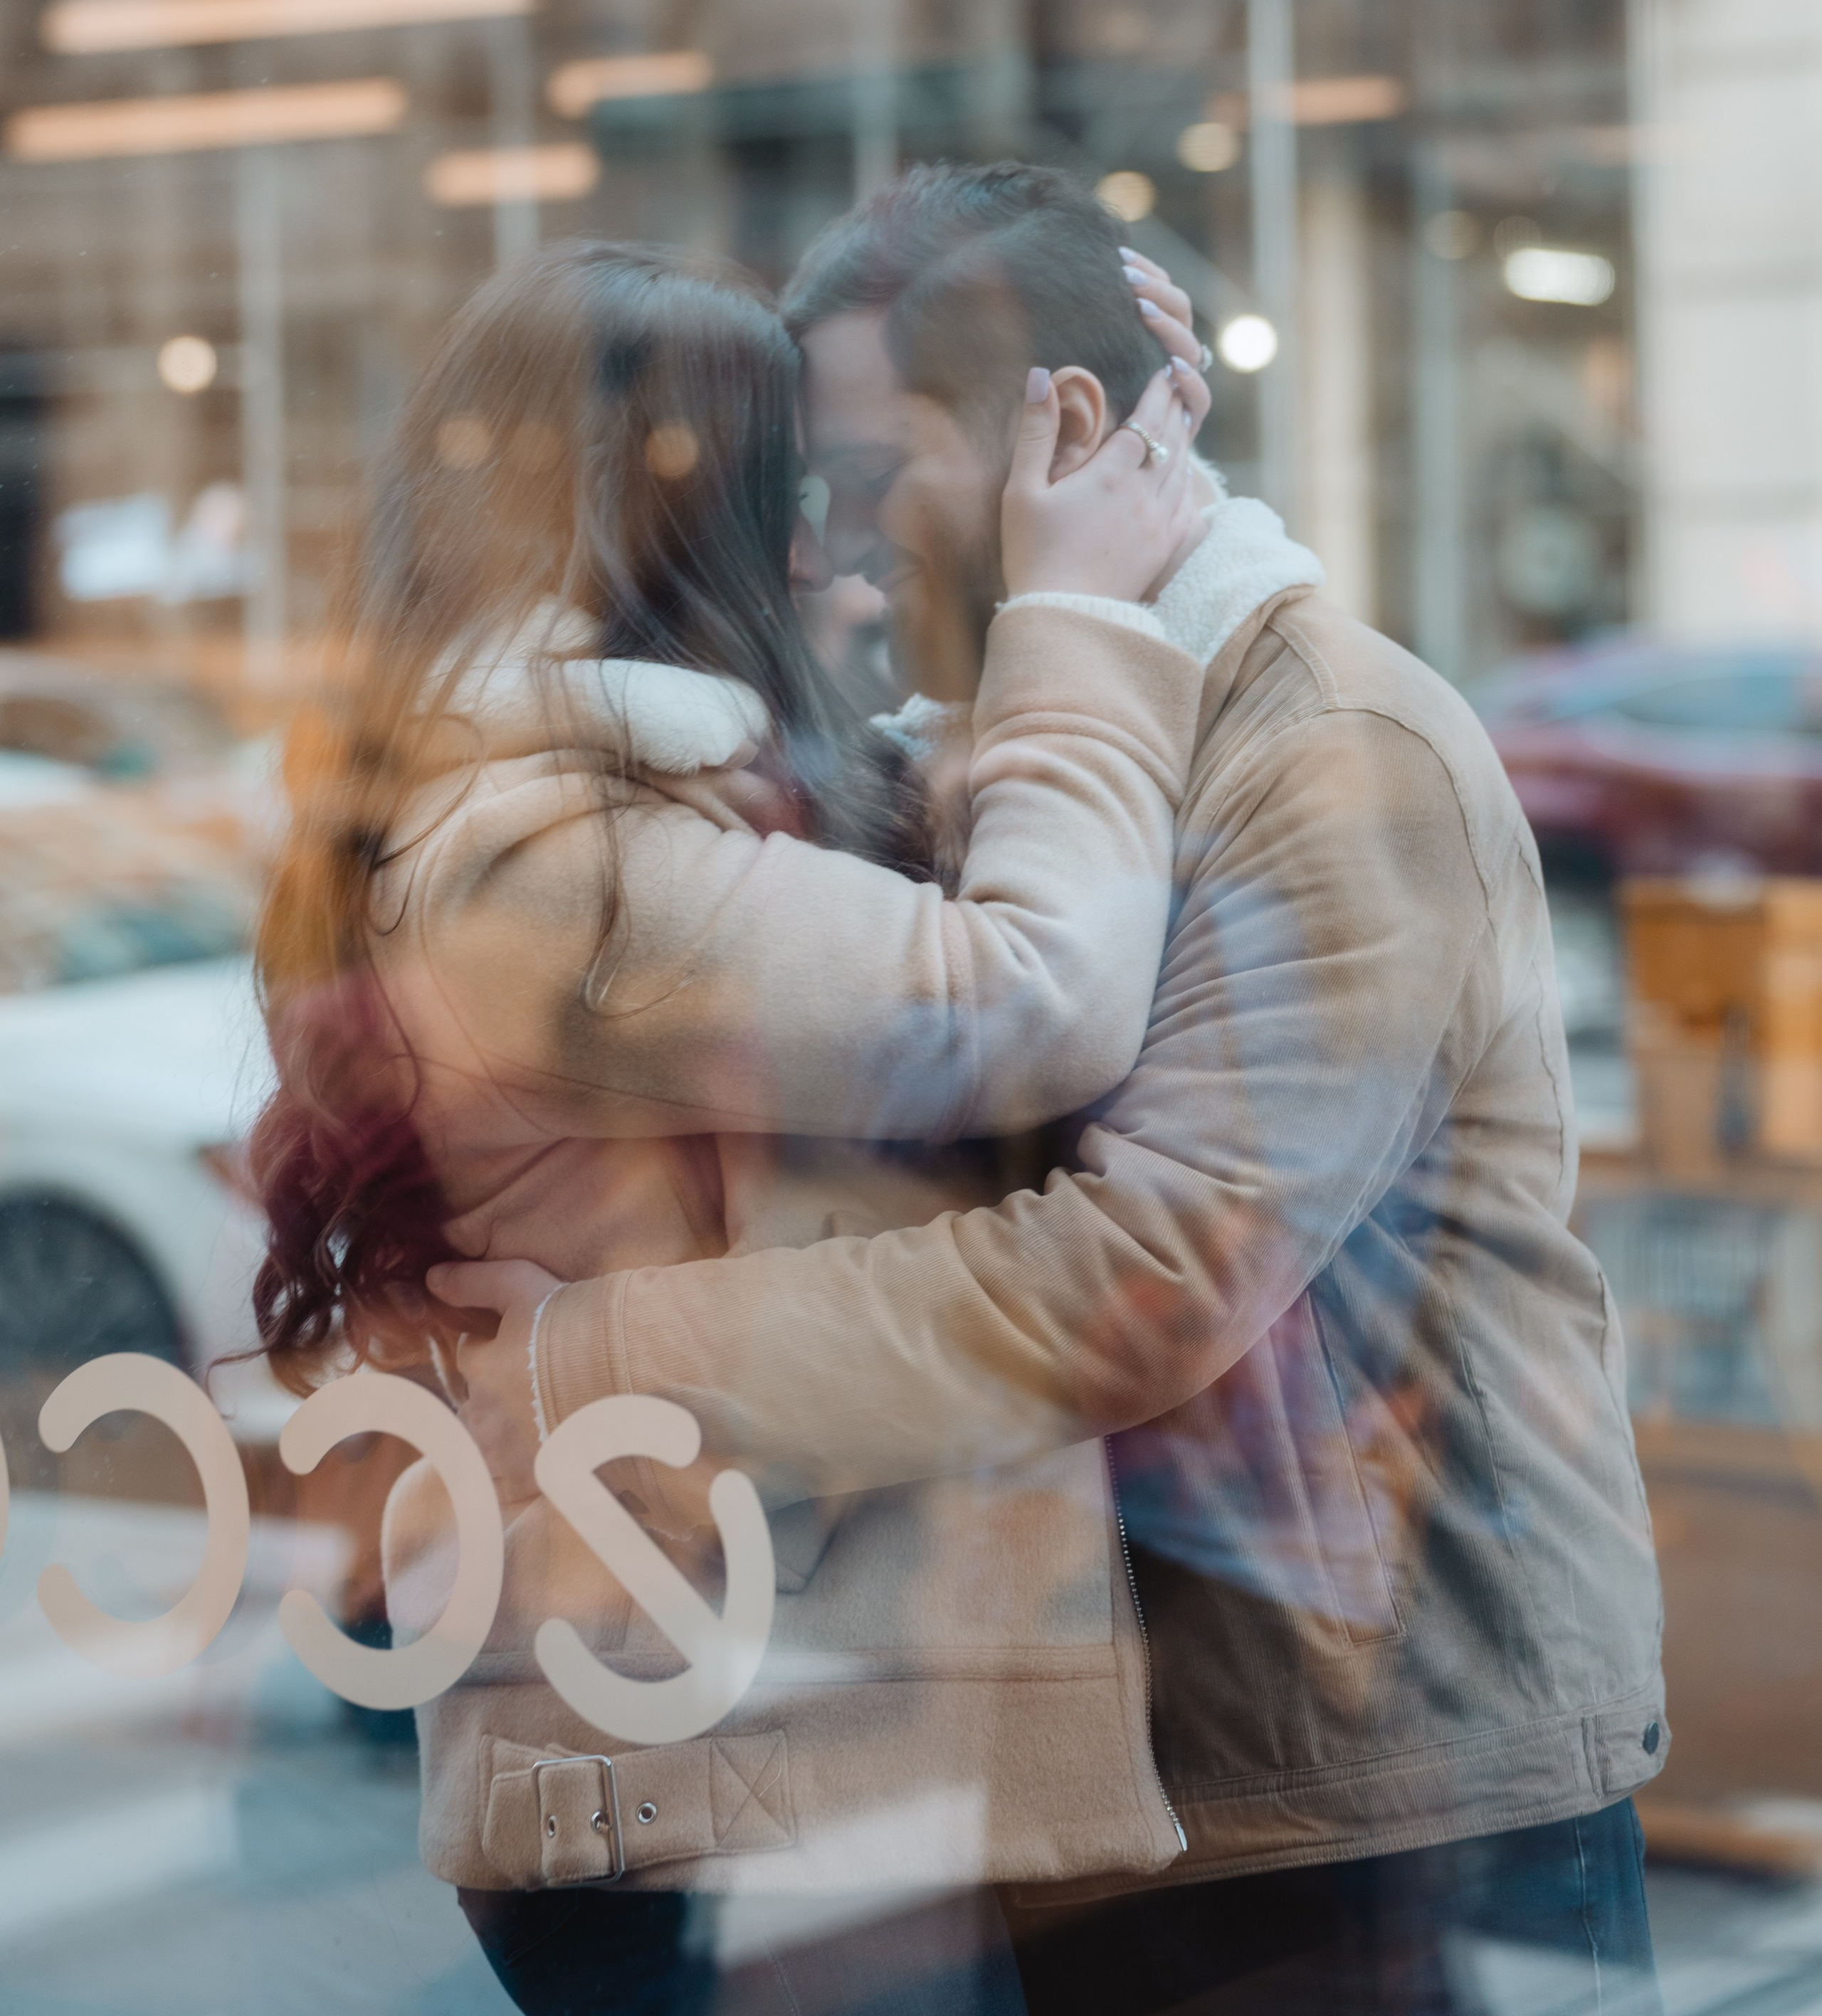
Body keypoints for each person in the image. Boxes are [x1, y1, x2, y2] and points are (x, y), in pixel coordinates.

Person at [443, 165, 1668, 2016]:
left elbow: (1149, 1265)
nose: (839, 555)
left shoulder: (1327, 752)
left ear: (1067, 431)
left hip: (1384, 1791)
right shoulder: (1023, 755)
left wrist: (606, 1360)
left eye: (863, 482)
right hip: (1158, 1771)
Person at [246, 238, 1213, 2015]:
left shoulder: (586, 816)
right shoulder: (568, 862)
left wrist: (1114, 477)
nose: (827, 541)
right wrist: (1084, 605)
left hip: (696, 1733)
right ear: (669, 519)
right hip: (708, 1767)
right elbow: (1035, 992)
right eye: (793, 487)